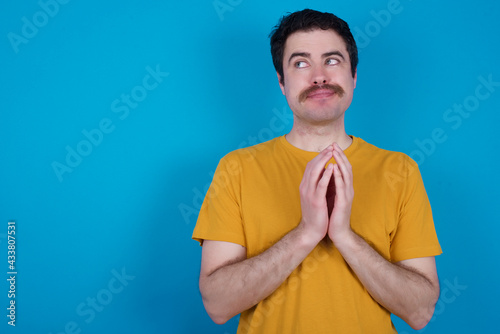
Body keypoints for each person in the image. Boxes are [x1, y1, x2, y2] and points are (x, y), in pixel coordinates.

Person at [192, 9, 442, 334]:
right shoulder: (236, 168)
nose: (319, 76)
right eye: (300, 63)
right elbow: (218, 305)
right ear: (281, 82)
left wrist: (344, 237)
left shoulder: (400, 170)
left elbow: (420, 311)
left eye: (332, 60)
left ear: (354, 76)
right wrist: (306, 233)